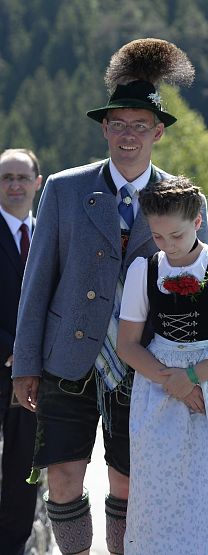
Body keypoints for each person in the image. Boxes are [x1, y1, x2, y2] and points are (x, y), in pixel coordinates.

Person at [11, 39, 208, 555]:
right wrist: (24, 363)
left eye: (139, 125)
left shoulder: (186, 200)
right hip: (67, 360)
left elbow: (196, 290)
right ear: (104, 128)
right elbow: (37, 283)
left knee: (127, 484)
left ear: (158, 132)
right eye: (118, 124)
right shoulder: (63, 188)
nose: (127, 135)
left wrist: (191, 370)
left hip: (143, 364)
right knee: (62, 480)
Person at [116, 176, 208, 553]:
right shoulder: (144, 270)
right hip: (160, 387)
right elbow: (127, 345)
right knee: (165, 493)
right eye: (159, 237)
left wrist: (193, 377)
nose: (168, 246)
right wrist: (173, 383)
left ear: (198, 222)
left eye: (177, 236)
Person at [0, 149, 42, 555]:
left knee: (23, 473)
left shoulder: (48, 233)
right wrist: (13, 349)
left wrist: (31, 353)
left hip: (35, 377)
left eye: (21, 177)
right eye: (6, 178)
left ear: (37, 182)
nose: (14, 185)